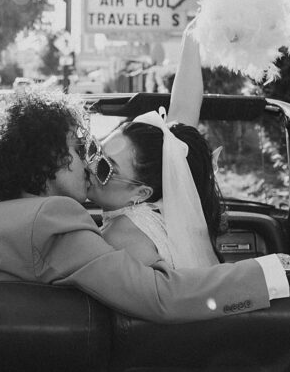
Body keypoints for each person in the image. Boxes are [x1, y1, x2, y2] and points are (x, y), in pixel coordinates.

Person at [0, 87, 290, 323]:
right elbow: (163, 299)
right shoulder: (54, 222)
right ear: (43, 162)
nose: (87, 164)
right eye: (77, 149)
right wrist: (282, 270)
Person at [86, 20, 220, 268]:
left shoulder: (120, 237)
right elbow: (184, 109)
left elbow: (169, 300)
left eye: (105, 168)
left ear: (141, 193)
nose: (91, 166)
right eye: (94, 150)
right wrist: (192, 36)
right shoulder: (168, 191)